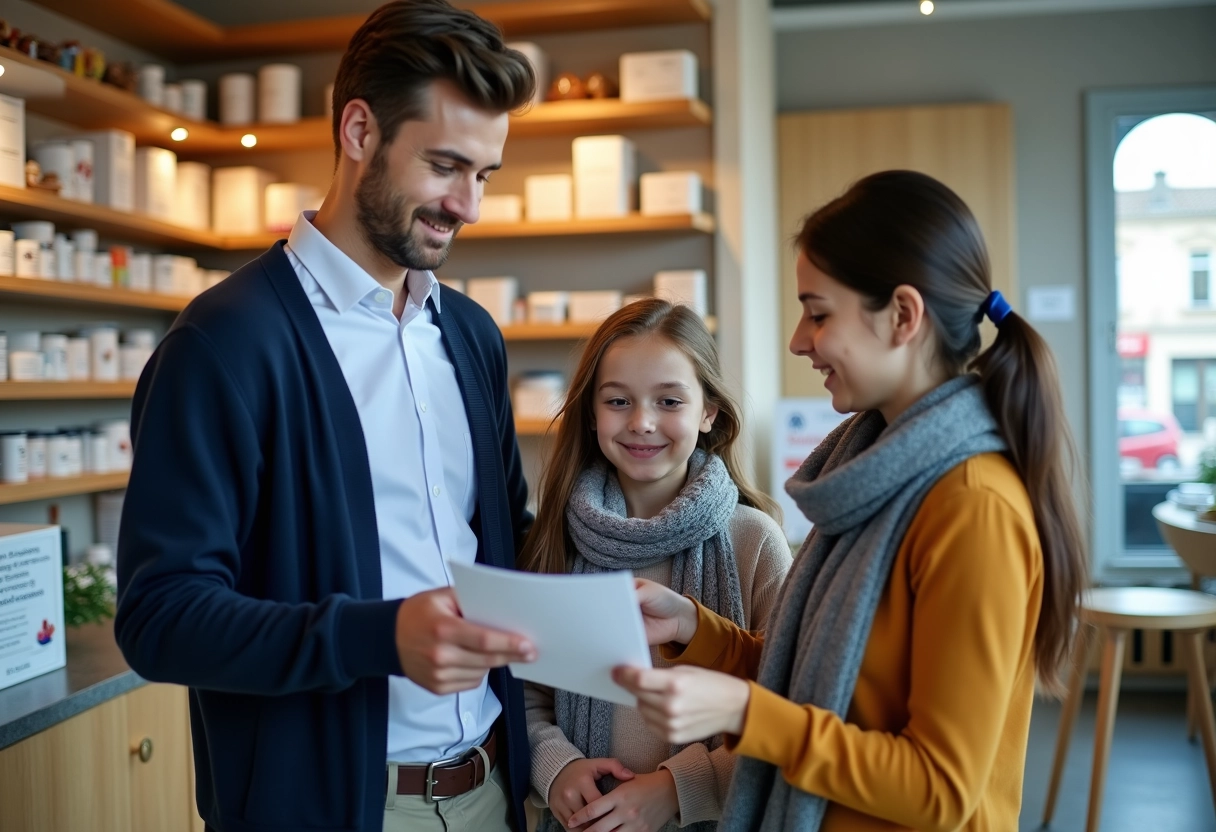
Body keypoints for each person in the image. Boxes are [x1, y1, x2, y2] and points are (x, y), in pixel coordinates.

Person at [114, 3, 540, 831]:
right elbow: (160, 616)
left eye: (484, 175)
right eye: (447, 165)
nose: (470, 206)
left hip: (491, 787)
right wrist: (373, 637)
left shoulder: (471, 336)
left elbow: (505, 542)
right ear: (358, 131)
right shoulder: (226, 341)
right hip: (329, 805)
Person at [610, 170, 1089, 832]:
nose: (799, 340)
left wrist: (743, 713)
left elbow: (939, 790)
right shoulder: (874, 479)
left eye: (818, 312)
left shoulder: (972, 507)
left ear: (902, 315)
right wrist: (698, 632)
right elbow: (820, 678)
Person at [521, 299, 792, 832]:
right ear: (592, 414)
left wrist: (679, 788)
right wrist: (557, 767)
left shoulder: (753, 541)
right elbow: (527, 692)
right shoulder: (555, 541)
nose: (642, 422)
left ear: (709, 411)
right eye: (618, 401)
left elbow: (791, 709)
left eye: (669, 400)